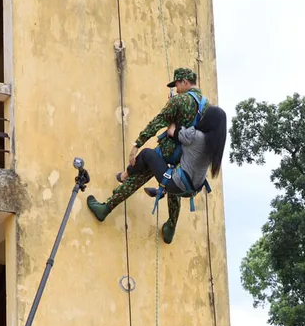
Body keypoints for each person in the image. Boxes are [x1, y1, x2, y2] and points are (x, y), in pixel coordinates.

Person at [87, 68, 218, 244]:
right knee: (174, 189)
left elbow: (158, 121)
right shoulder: (208, 108)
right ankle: (171, 226)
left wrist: (137, 144)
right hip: (187, 160)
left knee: (137, 177)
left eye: (178, 85)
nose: (177, 89)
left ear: (185, 82)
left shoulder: (180, 100)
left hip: (168, 152)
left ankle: (106, 208)